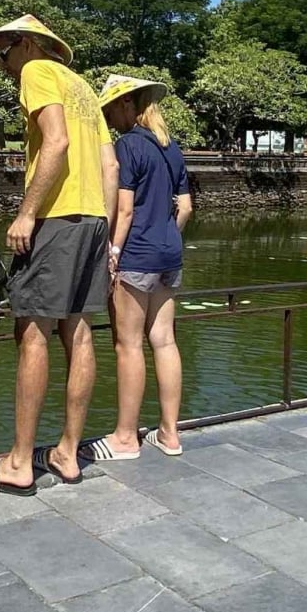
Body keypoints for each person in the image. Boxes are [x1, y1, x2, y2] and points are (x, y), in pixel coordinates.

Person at [0, 15, 117, 494]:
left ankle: (18, 462)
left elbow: (56, 140)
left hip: (57, 217)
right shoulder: (83, 87)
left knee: (32, 332)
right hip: (94, 219)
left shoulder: (37, 71)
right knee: (79, 333)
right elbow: (110, 166)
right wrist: (106, 233)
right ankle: (67, 453)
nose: (5, 66)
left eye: (6, 54)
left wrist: (27, 213)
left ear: (27, 44)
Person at [81, 75, 194, 462]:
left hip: (136, 255)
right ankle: (170, 434)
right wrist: (166, 235)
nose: (109, 119)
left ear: (127, 104)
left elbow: (124, 210)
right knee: (164, 341)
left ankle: (126, 437)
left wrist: (112, 252)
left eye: (110, 110)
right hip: (169, 254)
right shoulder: (171, 147)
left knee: (128, 344)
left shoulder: (127, 145)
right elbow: (186, 208)